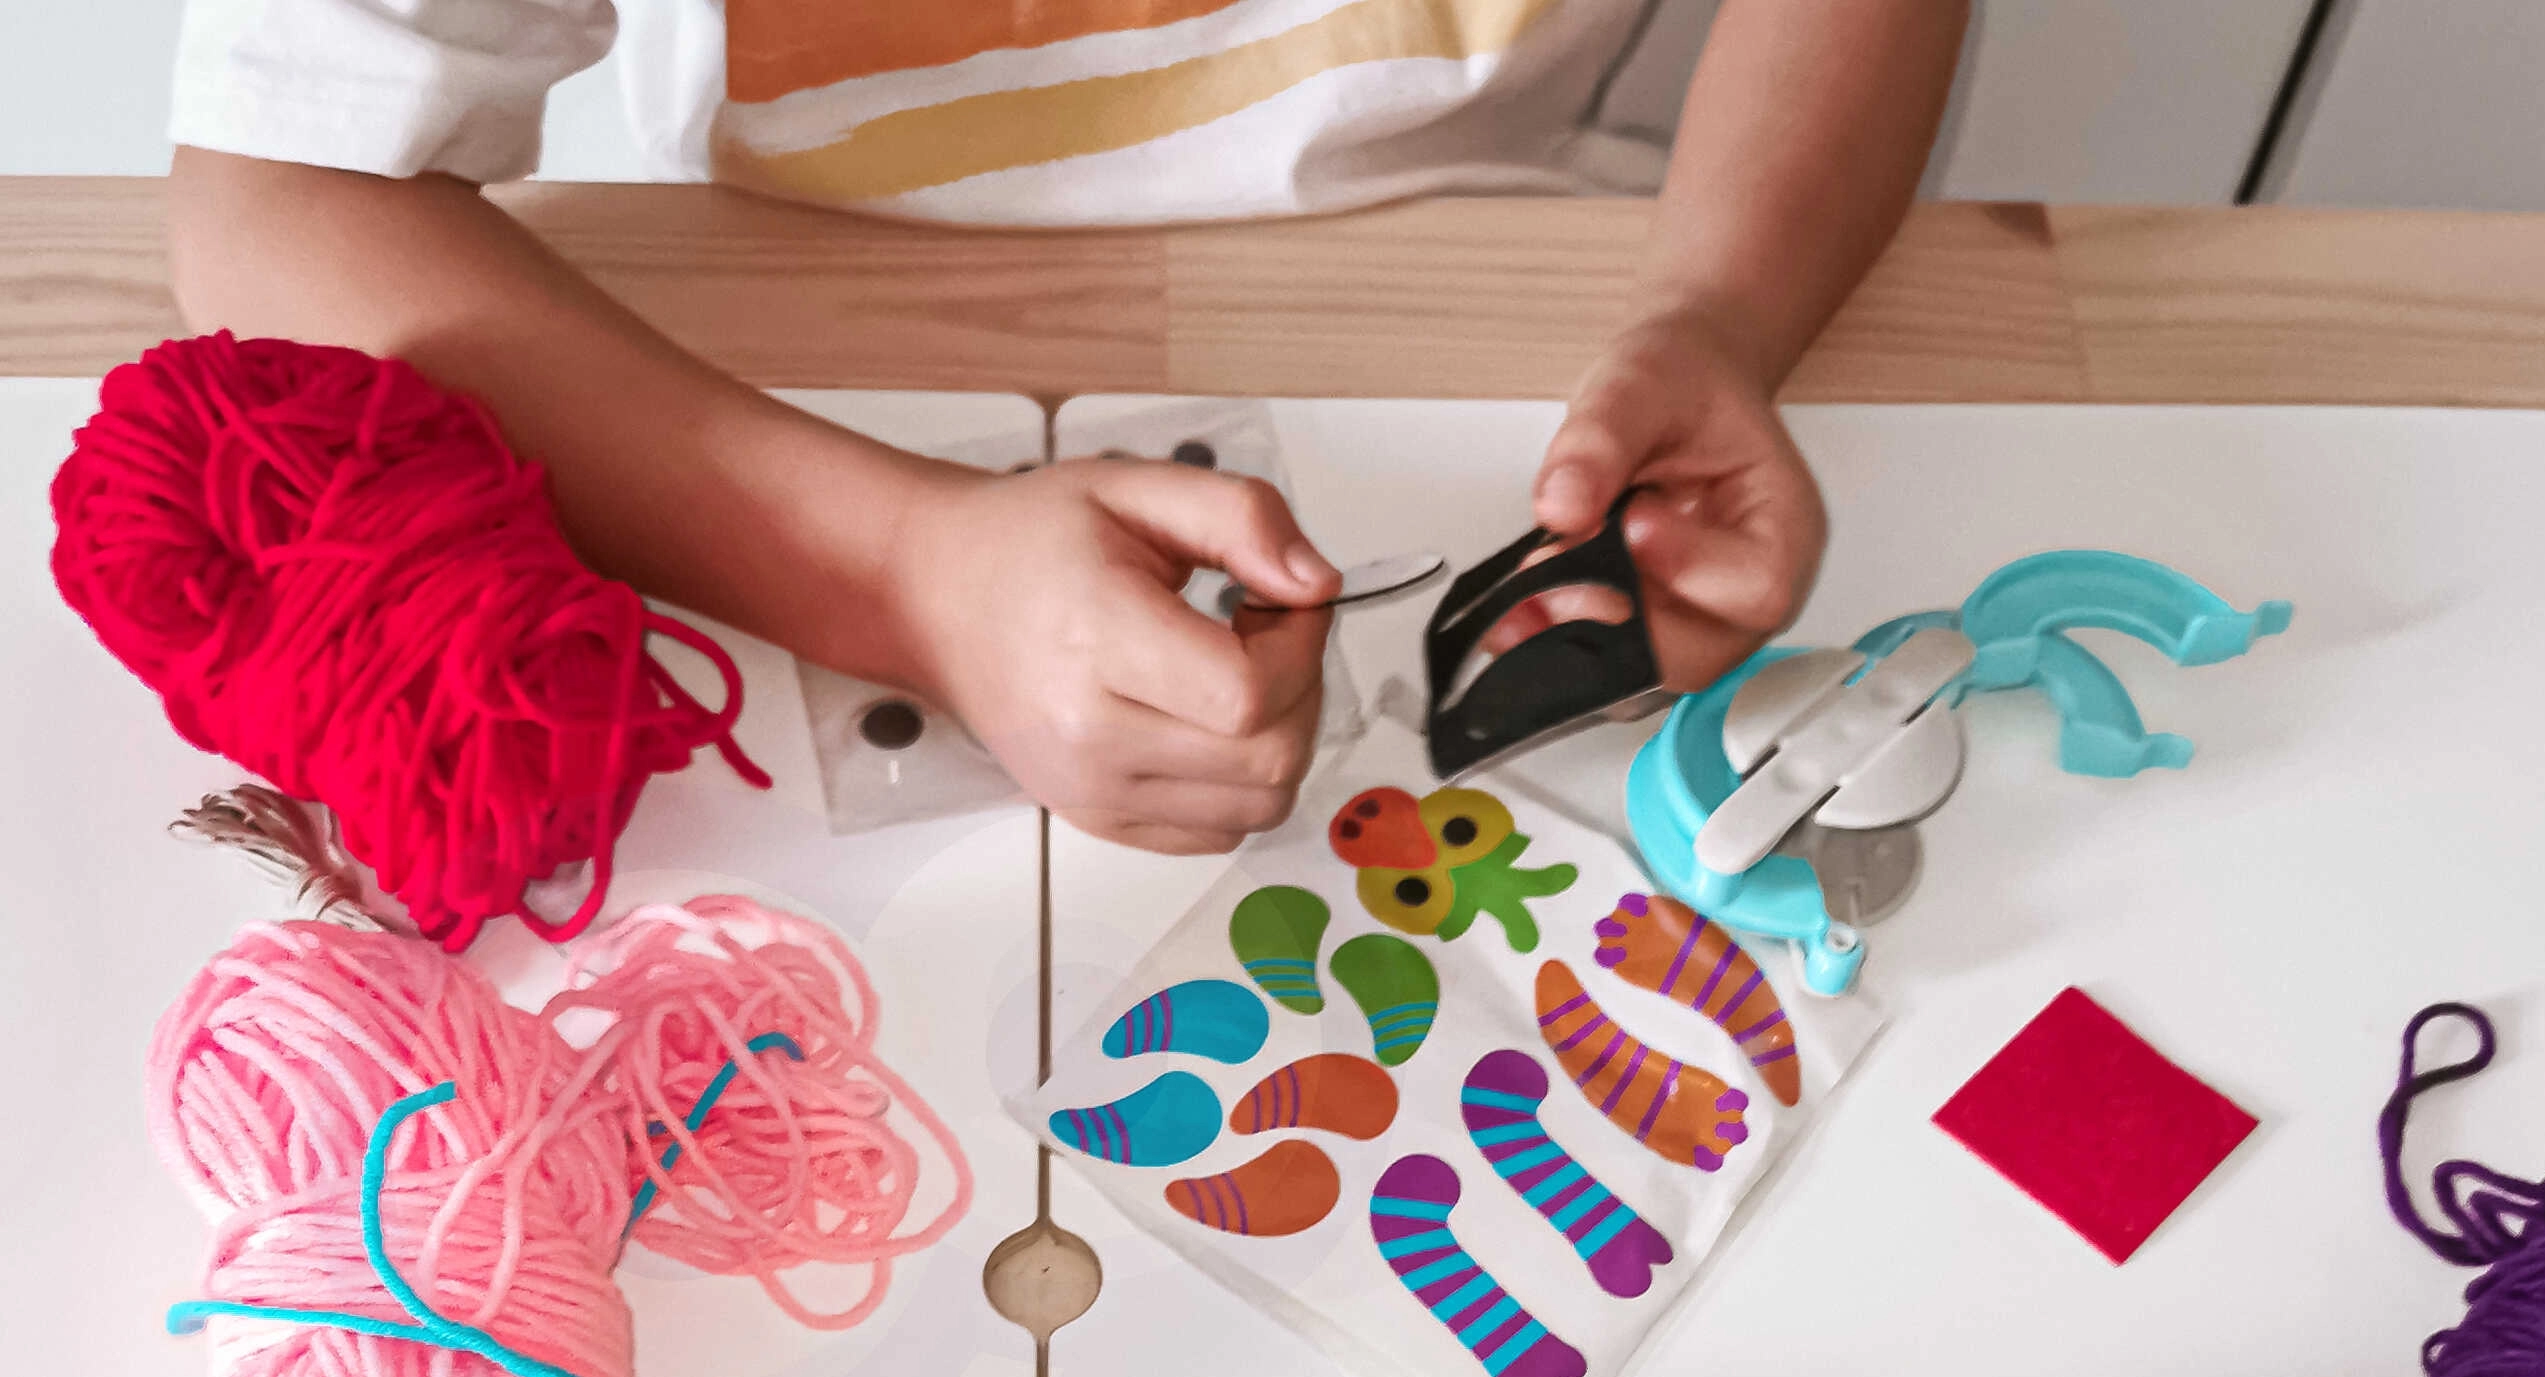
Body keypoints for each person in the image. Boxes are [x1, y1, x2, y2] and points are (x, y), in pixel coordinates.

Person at [167, 0, 1967, 854]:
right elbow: (275, 201)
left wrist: (1723, 308)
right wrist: (898, 572)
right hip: (742, 359)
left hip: (1492, 294)